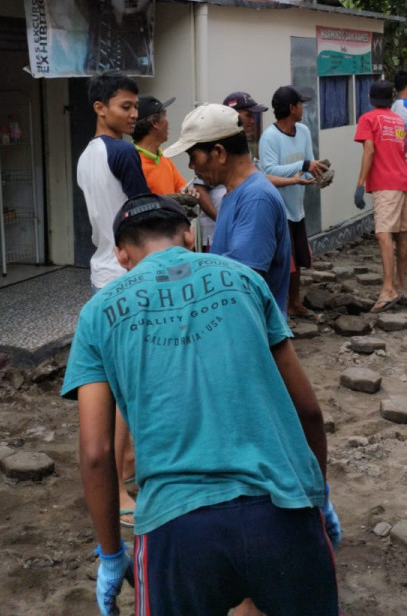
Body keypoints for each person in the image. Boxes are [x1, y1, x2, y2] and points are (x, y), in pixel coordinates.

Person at [62, 194, 340, 616]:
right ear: (189, 235)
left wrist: (111, 554)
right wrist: (318, 496)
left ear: (121, 255)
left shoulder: (98, 314)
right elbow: (308, 410)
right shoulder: (245, 280)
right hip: (284, 510)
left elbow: (97, 453)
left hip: (178, 530)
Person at [76, 71, 151, 526]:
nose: (134, 114)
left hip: (103, 271)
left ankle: (129, 470)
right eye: (125, 106)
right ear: (100, 107)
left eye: (136, 107)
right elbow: (142, 213)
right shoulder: (123, 151)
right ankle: (122, 484)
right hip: (128, 274)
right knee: (125, 390)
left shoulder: (88, 154)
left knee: (121, 382)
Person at [164, 103, 292, 314]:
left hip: (251, 332)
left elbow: (240, 283)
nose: (191, 166)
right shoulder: (235, 193)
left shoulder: (255, 198)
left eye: (193, 157)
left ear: (219, 153)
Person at [259, 86, 328, 317]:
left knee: (297, 258)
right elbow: (268, 172)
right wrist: (303, 166)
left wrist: (318, 175)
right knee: (281, 261)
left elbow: (308, 166)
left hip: (297, 207)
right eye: (300, 104)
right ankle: (278, 309)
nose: (303, 108)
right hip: (278, 209)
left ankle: (295, 303)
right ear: (292, 108)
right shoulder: (270, 137)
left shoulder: (304, 131)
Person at [353, 79, 407, 310]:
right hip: (403, 181)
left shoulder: (368, 119)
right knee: (401, 235)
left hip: (385, 183)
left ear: (370, 98)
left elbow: (369, 149)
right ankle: (400, 284)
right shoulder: (398, 120)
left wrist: (360, 183)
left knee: (383, 234)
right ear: (391, 99)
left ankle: (388, 289)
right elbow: (402, 152)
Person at [131, 95, 186, 194]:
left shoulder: (163, 155)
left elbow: (181, 188)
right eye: (164, 114)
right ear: (155, 122)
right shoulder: (133, 162)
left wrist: (188, 191)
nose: (168, 121)